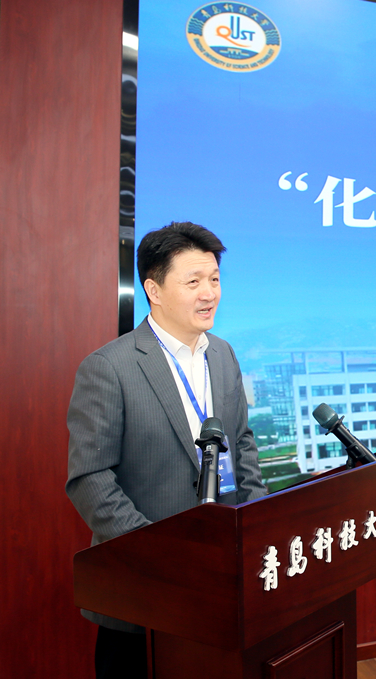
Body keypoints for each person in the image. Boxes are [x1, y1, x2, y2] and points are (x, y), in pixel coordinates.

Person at [66, 222, 268, 679]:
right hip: (146, 592)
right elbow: (90, 478)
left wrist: (259, 526)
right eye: (193, 281)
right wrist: (161, 555)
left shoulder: (223, 354)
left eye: (214, 279)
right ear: (153, 290)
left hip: (223, 579)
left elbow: (241, 443)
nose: (209, 293)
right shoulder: (109, 367)